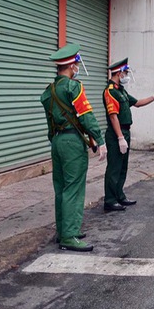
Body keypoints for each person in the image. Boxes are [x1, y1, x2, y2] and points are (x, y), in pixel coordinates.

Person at [40, 43, 107, 252]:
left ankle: (64, 230)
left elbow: (50, 123)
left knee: (61, 188)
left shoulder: (49, 91)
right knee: (74, 188)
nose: (78, 67)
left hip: (57, 142)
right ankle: (69, 236)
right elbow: (86, 115)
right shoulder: (73, 87)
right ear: (71, 66)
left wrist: (56, 140)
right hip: (72, 142)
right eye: (76, 64)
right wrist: (99, 139)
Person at [102, 58, 154, 212]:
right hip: (116, 134)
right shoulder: (110, 91)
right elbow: (113, 116)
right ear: (118, 73)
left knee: (123, 167)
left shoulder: (121, 91)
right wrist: (120, 137)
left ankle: (120, 196)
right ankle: (110, 200)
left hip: (125, 132)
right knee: (114, 168)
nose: (126, 76)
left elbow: (136, 103)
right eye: (125, 72)